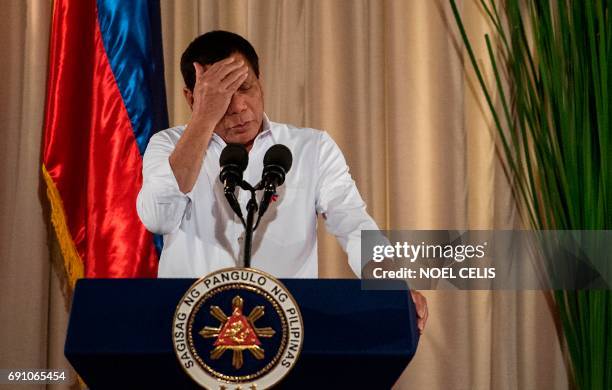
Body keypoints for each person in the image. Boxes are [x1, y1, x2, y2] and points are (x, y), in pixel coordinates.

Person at [136, 30, 427, 332]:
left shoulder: (311, 147)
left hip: (284, 332)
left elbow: (354, 225)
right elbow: (158, 218)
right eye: (220, 97)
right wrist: (203, 119)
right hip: (190, 330)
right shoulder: (168, 146)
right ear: (191, 98)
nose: (238, 107)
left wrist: (393, 286)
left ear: (260, 83)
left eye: (245, 88)